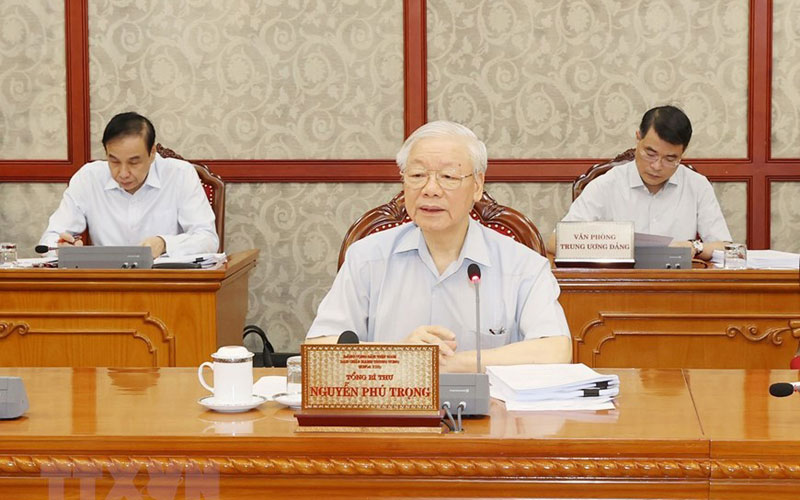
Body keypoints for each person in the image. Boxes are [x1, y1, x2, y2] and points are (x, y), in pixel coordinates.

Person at [305, 121, 571, 373]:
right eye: (418, 175)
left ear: (477, 185)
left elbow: (556, 351)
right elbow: (318, 350)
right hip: (393, 413)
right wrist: (400, 355)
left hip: (491, 415)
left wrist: (453, 363)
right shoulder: (367, 256)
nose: (430, 189)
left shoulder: (522, 265)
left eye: (448, 176)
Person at [546, 105, 731, 260]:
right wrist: (615, 247)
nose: (657, 166)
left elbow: (727, 249)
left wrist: (694, 248)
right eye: (650, 154)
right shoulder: (606, 185)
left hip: (678, 288)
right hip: (619, 288)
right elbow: (555, 242)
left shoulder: (697, 186)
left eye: (670, 158)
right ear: (638, 138)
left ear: (684, 153)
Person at [39, 112, 219, 257]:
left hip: (165, 287)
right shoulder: (88, 178)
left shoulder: (180, 174)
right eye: (114, 161)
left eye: (134, 162)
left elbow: (208, 239)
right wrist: (62, 248)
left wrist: (164, 244)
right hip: (106, 287)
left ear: (152, 153)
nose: (123, 173)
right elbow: (49, 240)